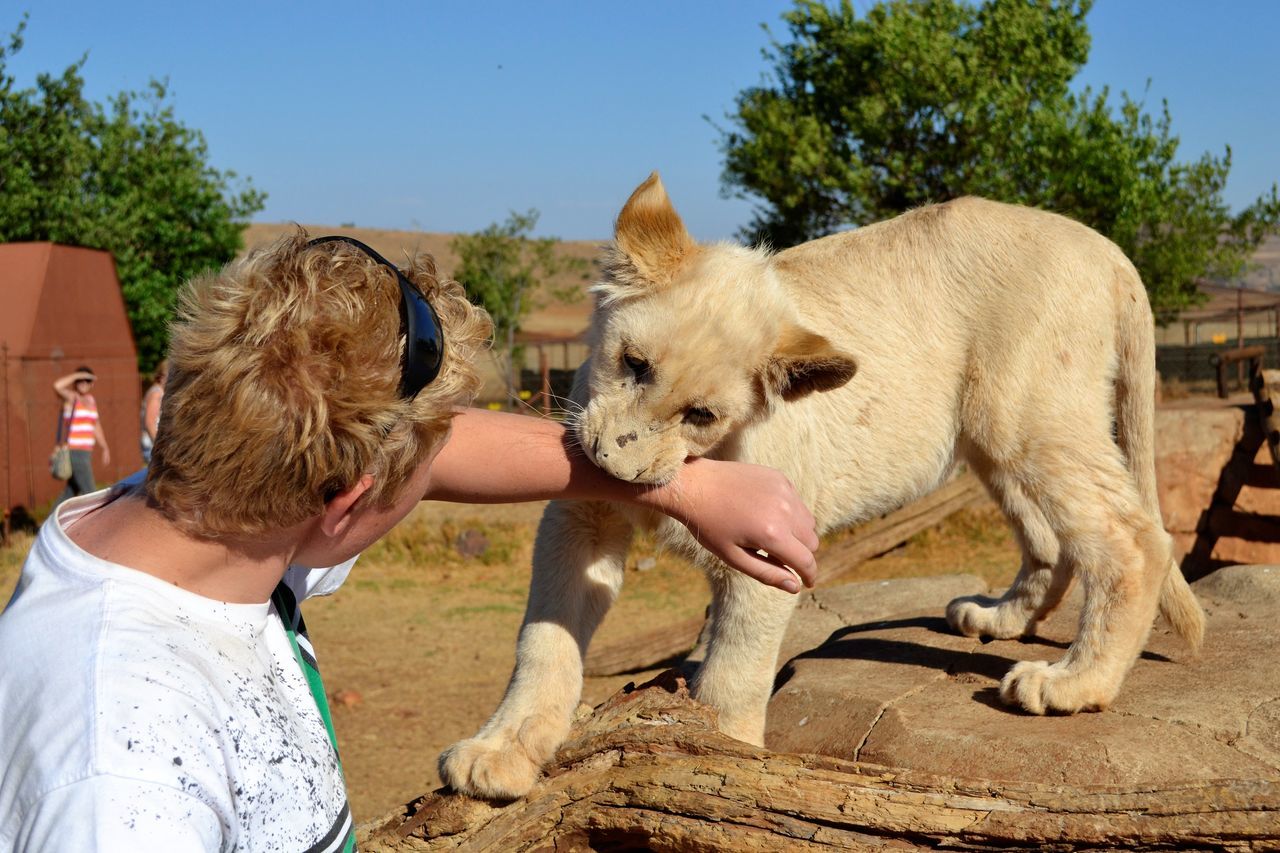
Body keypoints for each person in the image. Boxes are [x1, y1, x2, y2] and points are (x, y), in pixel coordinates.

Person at [0, 232, 819, 851]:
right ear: (350, 504)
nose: (445, 456)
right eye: (422, 469)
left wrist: (686, 483)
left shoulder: (207, 514)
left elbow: (446, 442)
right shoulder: (123, 784)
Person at [52, 365, 111, 505]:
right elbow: (57, 386)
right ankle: (99, 524)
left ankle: (47, 524)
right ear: (75, 382)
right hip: (75, 450)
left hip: (86, 451)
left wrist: (104, 447)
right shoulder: (72, 397)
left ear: (92, 384)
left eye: (87, 381)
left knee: (70, 492)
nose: (83, 383)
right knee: (90, 493)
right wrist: (78, 375)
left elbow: (95, 425)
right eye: (80, 380)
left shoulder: (91, 400)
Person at [139, 360, 168, 464]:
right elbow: (150, 422)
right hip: (153, 445)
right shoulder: (157, 393)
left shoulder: (158, 392)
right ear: (161, 377)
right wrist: (160, 447)